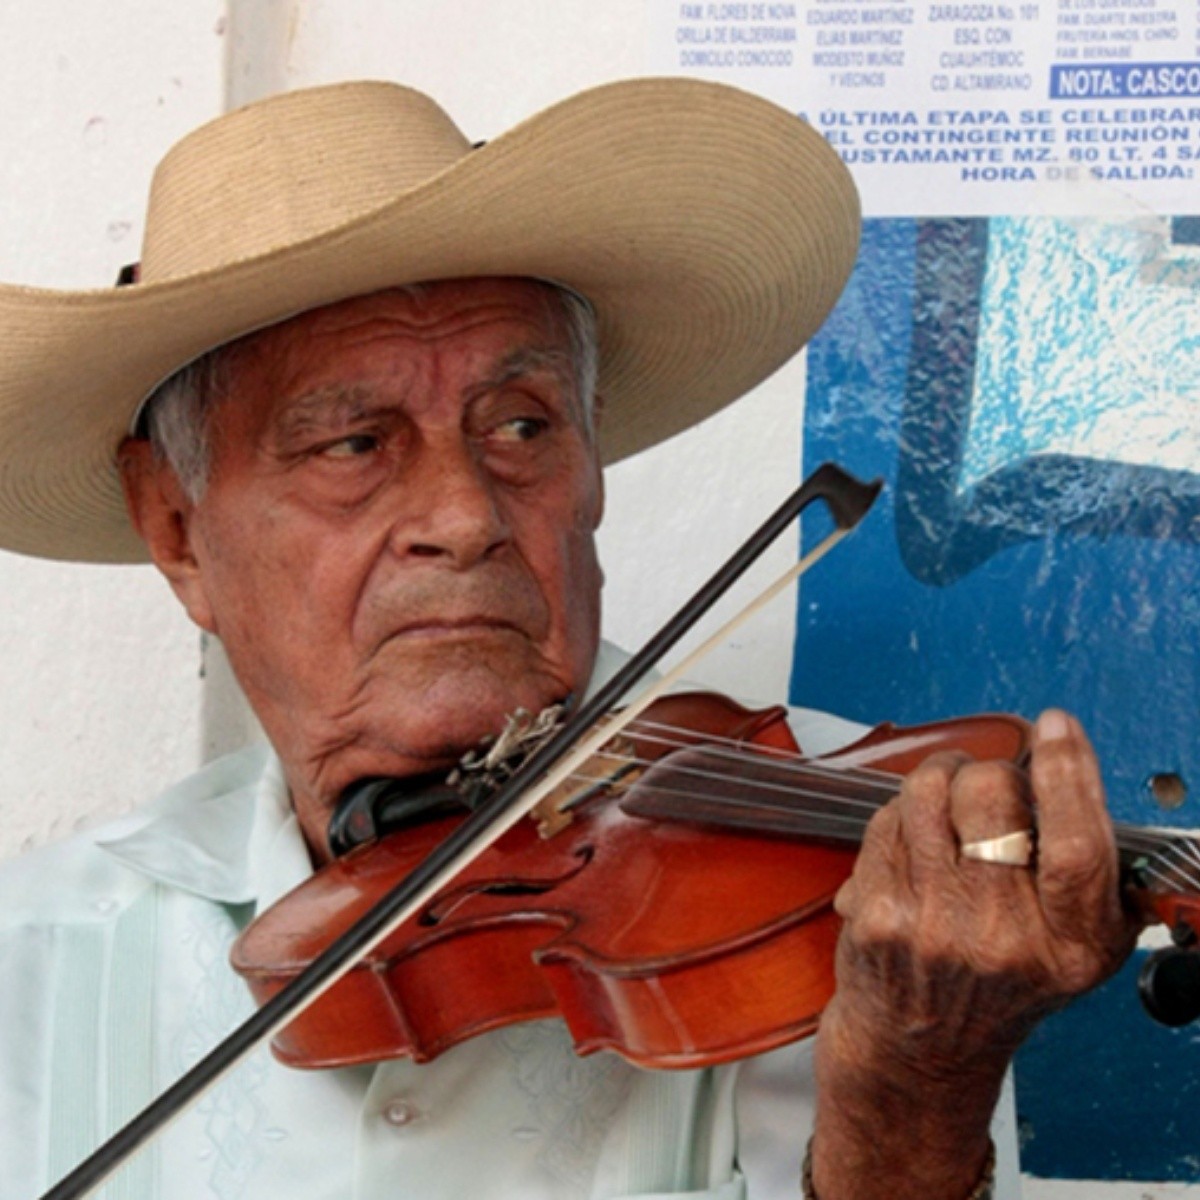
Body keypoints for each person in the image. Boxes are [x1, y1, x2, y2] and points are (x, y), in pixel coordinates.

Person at [0, 78, 1137, 1200]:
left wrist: (913, 1092)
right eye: (353, 444)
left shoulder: (870, 881)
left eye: (522, 425)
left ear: (589, 469)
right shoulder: (33, 956)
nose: (465, 516)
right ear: (178, 530)